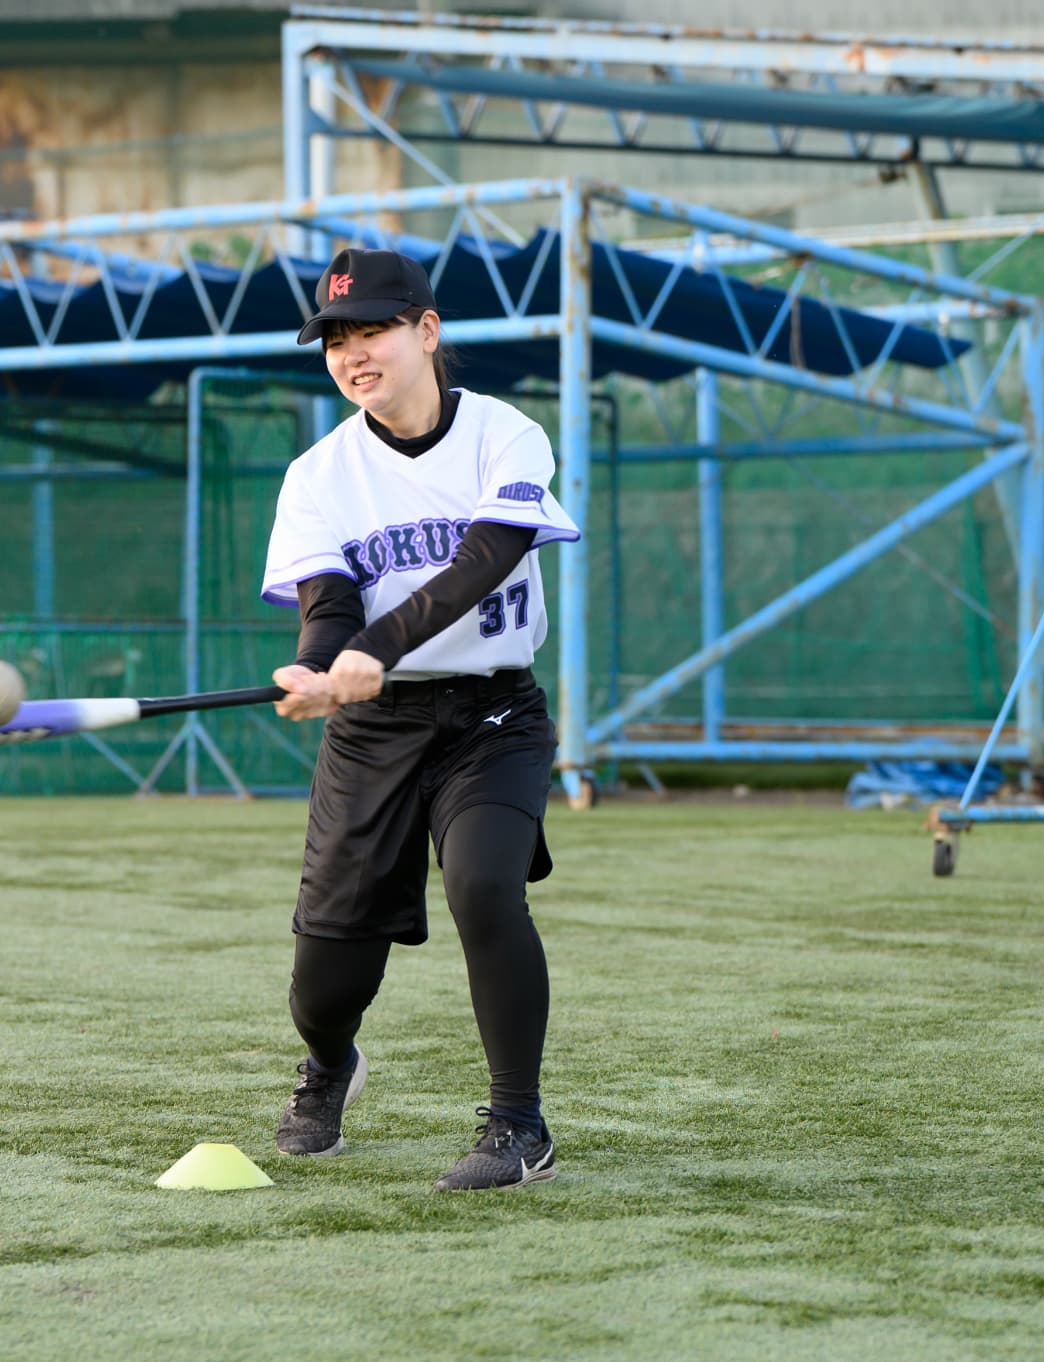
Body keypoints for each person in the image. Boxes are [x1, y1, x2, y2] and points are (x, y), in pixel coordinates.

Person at [261, 248, 579, 1192]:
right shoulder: (318, 474)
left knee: (485, 885)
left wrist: (381, 643)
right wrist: (320, 666)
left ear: (427, 331)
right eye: (336, 341)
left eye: (374, 331)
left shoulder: (505, 434)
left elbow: (487, 557)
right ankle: (330, 1065)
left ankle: (519, 1124)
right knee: (324, 981)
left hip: (492, 715)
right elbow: (329, 603)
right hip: (373, 734)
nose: (353, 355)